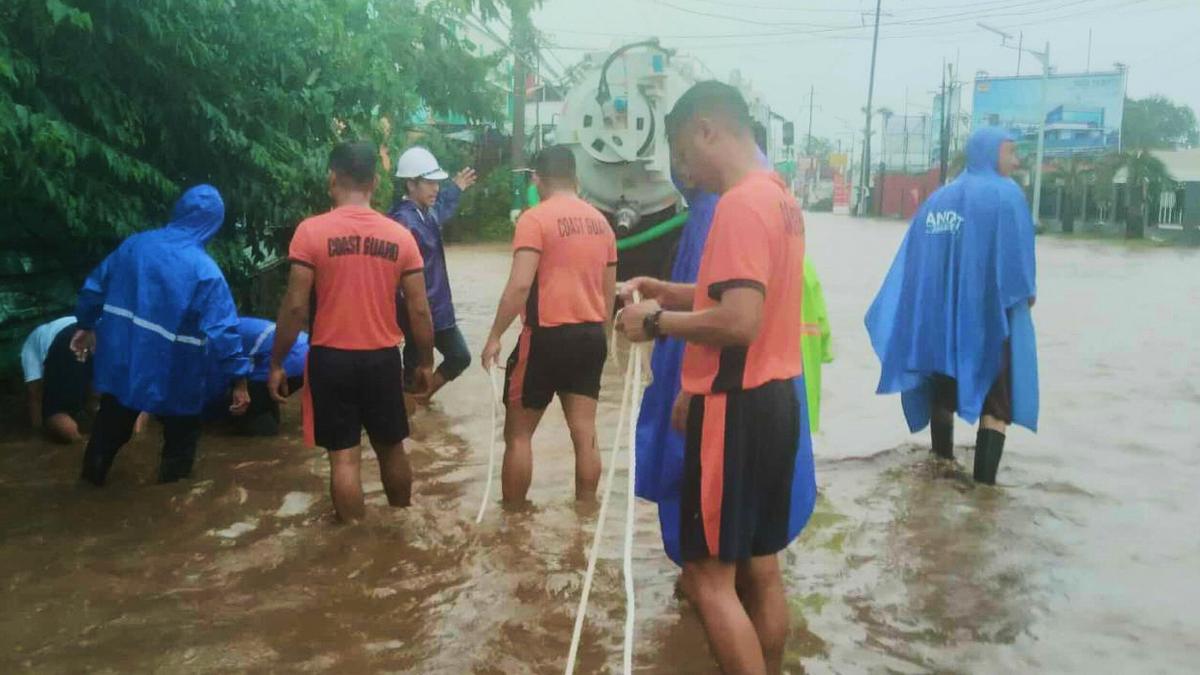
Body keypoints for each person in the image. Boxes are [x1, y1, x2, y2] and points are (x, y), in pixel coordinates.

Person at [618, 81, 816, 675]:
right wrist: (667, 291)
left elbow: (738, 320)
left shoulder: (737, 205)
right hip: (778, 402)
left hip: (734, 410)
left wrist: (653, 322)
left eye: (683, 152)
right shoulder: (779, 197)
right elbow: (738, 293)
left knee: (708, 581)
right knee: (763, 565)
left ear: (709, 129)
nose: (685, 170)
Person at [269, 141, 435, 523]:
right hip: (381, 358)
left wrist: (276, 361)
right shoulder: (399, 236)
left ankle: (352, 542)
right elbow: (419, 309)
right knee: (392, 448)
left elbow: (295, 306)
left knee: (344, 458)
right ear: (375, 182)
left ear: (332, 178)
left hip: (330, 358)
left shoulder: (311, 233)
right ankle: (402, 527)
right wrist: (425, 360)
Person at [865, 126, 1039, 485]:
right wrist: (1024, 300)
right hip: (988, 322)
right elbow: (1019, 266)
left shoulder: (938, 199)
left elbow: (915, 263)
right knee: (996, 406)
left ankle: (940, 467)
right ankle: (984, 492)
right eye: (1011, 152)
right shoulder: (1007, 195)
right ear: (992, 153)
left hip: (938, 322)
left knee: (942, 394)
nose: (1016, 160)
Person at [73, 185, 251, 486]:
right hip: (177, 370)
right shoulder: (205, 271)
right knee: (180, 442)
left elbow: (95, 286)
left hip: (126, 359)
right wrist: (240, 380)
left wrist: (85, 324)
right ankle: (172, 509)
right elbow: (223, 331)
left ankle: (88, 487)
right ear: (214, 224)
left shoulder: (134, 246)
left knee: (110, 426)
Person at [480, 145, 617, 504]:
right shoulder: (602, 223)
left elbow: (521, 284)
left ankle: (513, 519)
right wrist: (600, 343)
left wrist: (495, 335)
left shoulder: (535, 219)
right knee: (585, 432)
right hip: (590, 337)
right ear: (576, 177)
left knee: (519, 435)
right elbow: (608, 293)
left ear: (538, 179)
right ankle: (586, 514)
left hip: (545, 338)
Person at [387, 146, 477, 403]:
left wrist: (456, 188)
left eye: (437, 183)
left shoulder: (425, 213)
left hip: (435, 309)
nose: (435, 188)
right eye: (429, 183)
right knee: (447, 359)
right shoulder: (403, 223)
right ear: (410, 184)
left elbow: (443, 208)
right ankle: (410, 413)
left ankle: (416, 407)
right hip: (419, 310)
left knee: (444, 360)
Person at [203, 317, 308, 436]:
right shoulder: (220, 327)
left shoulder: (208, 341)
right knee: (261, 407)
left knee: (254, 422)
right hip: (301, 355)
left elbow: (214, 388)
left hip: (285, 362)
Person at [20, 316, 91, 443]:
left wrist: (37, 432)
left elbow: (34, 393)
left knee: (56, 410)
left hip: (66, 341)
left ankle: (80, 442)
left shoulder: (29, 347)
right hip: (88, 330)